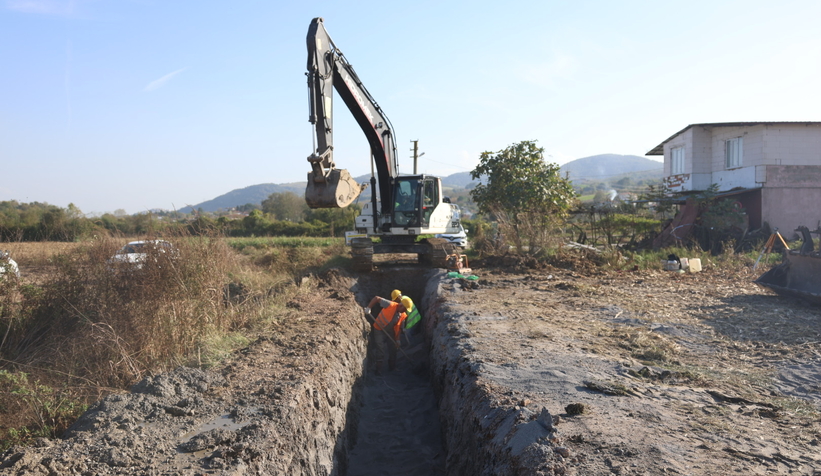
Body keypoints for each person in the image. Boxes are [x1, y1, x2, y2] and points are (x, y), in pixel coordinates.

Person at [364, 295, 412, 373]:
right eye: (405, 309)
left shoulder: (402, 315)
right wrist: (369, 307)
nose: (405, 311)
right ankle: (378, 370)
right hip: (379, 329)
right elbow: (376, 298)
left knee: (393, 349)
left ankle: (392, 368)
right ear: (401, 305)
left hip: (390, 331)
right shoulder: (390, 304)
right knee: (380, 349)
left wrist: (397, 340)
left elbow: (399, 328)